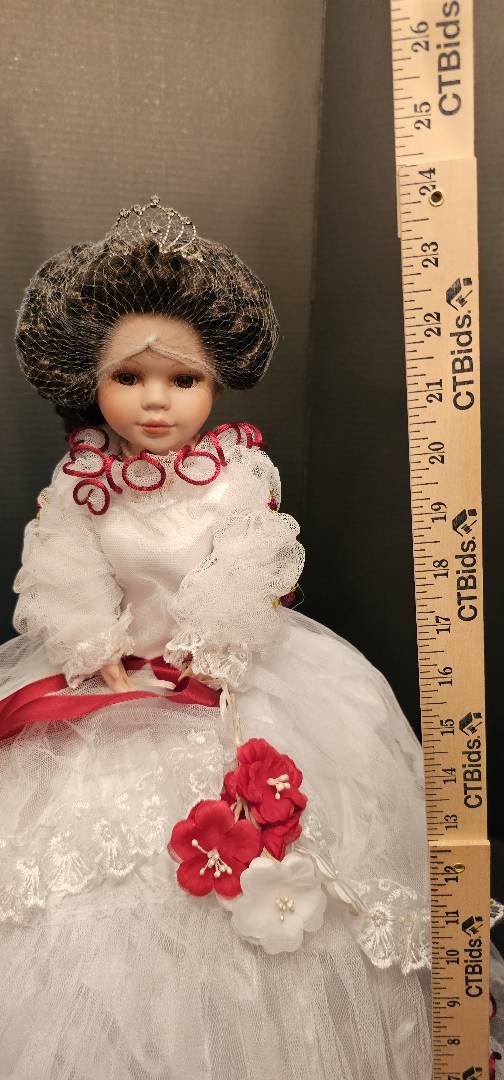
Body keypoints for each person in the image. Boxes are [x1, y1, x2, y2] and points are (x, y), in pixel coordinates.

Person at [0, 197, 502, 1079]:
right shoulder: (83, 479)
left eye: (183, 380)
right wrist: (92, 645)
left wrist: (210, 647)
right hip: (111, 681)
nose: (156, 400)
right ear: (92, 380)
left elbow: (245, 561)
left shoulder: (234, 475)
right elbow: (64, 565)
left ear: (218, 383)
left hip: (229, 676)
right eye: (131, 377)